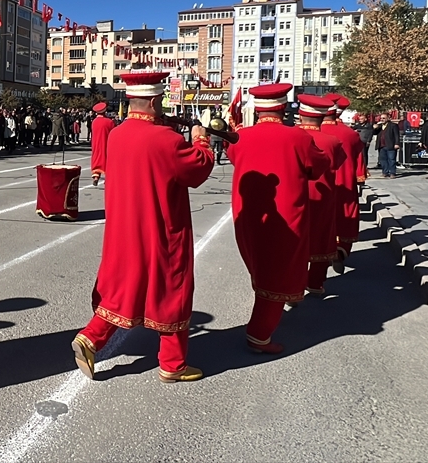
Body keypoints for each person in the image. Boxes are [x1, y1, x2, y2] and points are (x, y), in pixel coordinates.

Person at [72, 72, 214, 383]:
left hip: (125, 225)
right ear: (152, 101)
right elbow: (198, 169)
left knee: (128, 285)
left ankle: (91, 337)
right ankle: (173, 363)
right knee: (172, 288)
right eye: (160, 102)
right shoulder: (167, 140)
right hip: (161, 226)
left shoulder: (118, 134)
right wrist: (201, 138)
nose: (162, 107)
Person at [227, 83, 329, 354]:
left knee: (262, 267)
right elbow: (318, 167)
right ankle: (259, 335)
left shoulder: (241, 136)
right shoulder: (298, 138)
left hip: (246, 215)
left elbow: (234, 157)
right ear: (283, 108)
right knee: (278, 273)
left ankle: (261, 324)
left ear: (258, 110)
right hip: (285, 214)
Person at [295, 95, 345, 296]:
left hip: (295, 195)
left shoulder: (291, 136)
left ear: (300, 115)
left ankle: (294, 285)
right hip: (324, 195)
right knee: (322, 238)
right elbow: (338, 164)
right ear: (322, 117)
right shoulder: (333, 141)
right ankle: (315, 282)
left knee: (295, 240)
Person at [321, 95, 366, 271]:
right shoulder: (350, 134)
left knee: (319, 219)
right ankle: (340, 250)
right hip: (345, 181)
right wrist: (360, 177)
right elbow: (358, 158)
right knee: (345, 217)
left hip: (319, 182)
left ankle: (317, 270)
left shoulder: (311, 131)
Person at [89, 102, 114, 186]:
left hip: (96, 142)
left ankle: (96, 176)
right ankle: (107, 179)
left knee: (97, 158)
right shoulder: (109, 122)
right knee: (107, 160)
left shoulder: (94, 122)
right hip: (106, 142)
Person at [373, 113, 400, 178]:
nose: (382, 119)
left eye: (384, 118)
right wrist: (375, 128)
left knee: (391, 159)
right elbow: (374, 133)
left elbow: (396, 135)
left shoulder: (393, 125)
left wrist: (397, 143)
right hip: (381, 146)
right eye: (381, 118)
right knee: (382, 160)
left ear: (388, 118)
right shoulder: (379, 126)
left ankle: (392, 173)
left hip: (390, 145)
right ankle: (385, 172)